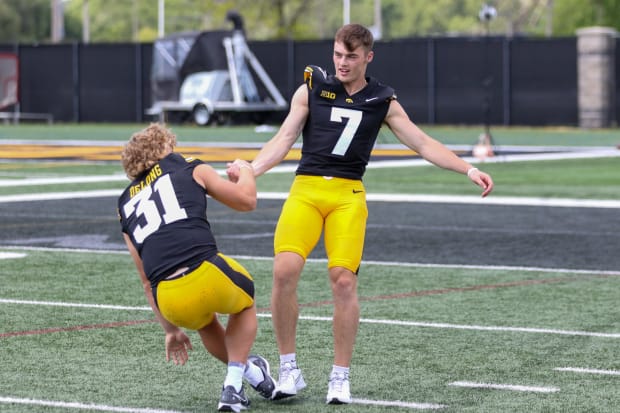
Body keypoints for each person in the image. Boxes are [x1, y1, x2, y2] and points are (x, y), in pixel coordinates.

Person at [228, 24, 494, 405]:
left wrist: (468, 169)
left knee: (343, 282)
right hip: (306, 189)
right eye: (337, 54)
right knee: (284, 270)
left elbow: (421, 142)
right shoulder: (312, 87)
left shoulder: (382, 98)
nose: (342, 63)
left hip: (347, 194)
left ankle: (340, 376)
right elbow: (285, 138)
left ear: (368, 57)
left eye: (351, 57)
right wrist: (251, 169)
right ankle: (289, 369)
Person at [118, 123, 276, 412]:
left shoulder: (125, 203)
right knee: (245, 301)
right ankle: (232, 387)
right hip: (205, 271)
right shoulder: (186, 165)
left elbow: (144, 279)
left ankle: (252, 374)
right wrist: (247, 172)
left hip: (169, 299)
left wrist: (170, 330)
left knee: (205, 323)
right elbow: (246, 201)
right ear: (163, 148)